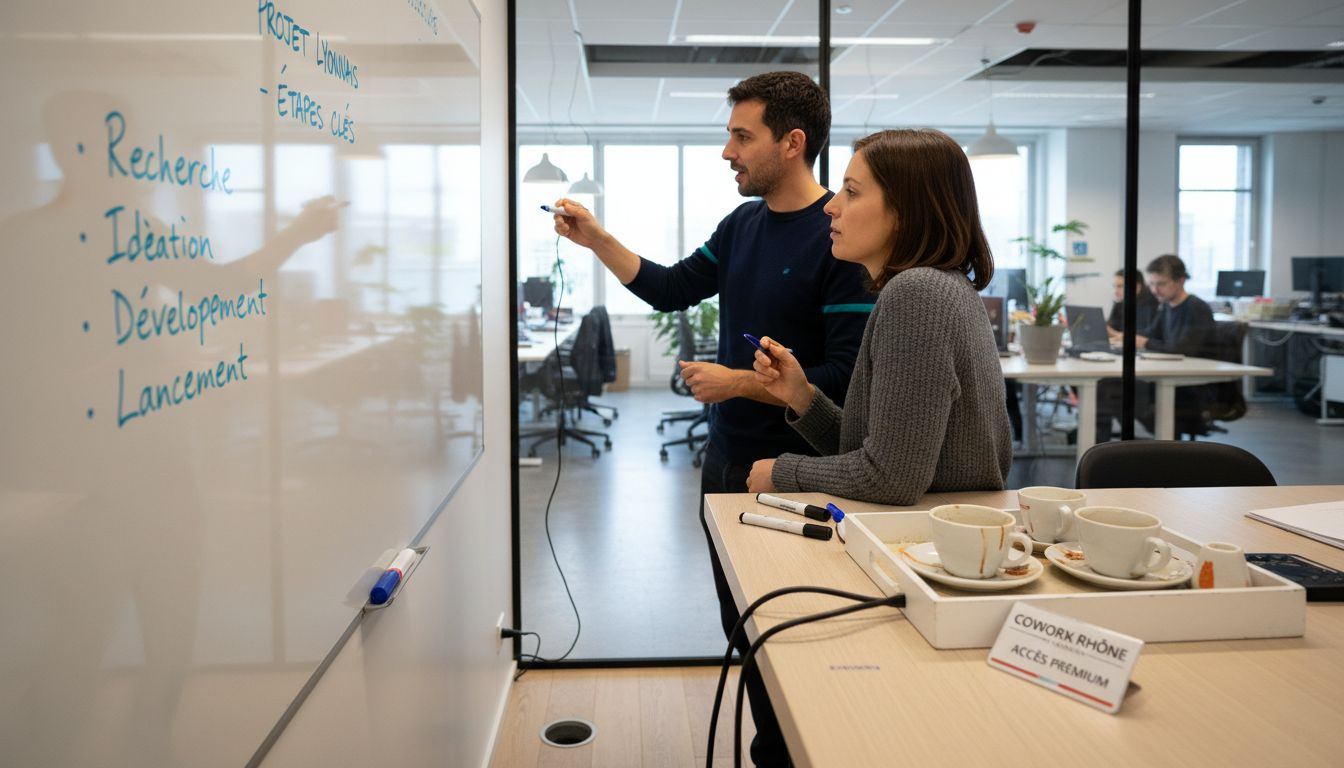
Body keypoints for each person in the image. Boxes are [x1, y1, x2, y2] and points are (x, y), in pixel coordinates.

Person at [551, 71, 873, 767]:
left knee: (790, 632)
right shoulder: (743, 224)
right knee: (742, 625)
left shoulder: (839, 242)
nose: (728, 152)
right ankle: (772, 749)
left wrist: (737, 382)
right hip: (726, 462)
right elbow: (670, 288)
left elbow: (846, 383)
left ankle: (794, 752)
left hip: (799, 473)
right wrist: (598, 239)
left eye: (740, 136)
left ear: (792, 143)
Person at [744, 129, 1011, 505]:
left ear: (906, 211)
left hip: (931, 543)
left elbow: (889, 478)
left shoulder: (918, 294)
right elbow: (879, 452)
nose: (830, 206)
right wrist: (801, 396)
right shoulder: (941, 287)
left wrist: (783, 472)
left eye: (851, 192)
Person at [1106, 267, 1159, 338]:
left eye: (1120, 286)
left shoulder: (1150, 304)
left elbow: (1144, 334)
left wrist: (1115, 334)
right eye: (1114, 286)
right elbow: (1112, 326)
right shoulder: (1120, 302)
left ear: (1137, 287)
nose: (1115, 292)